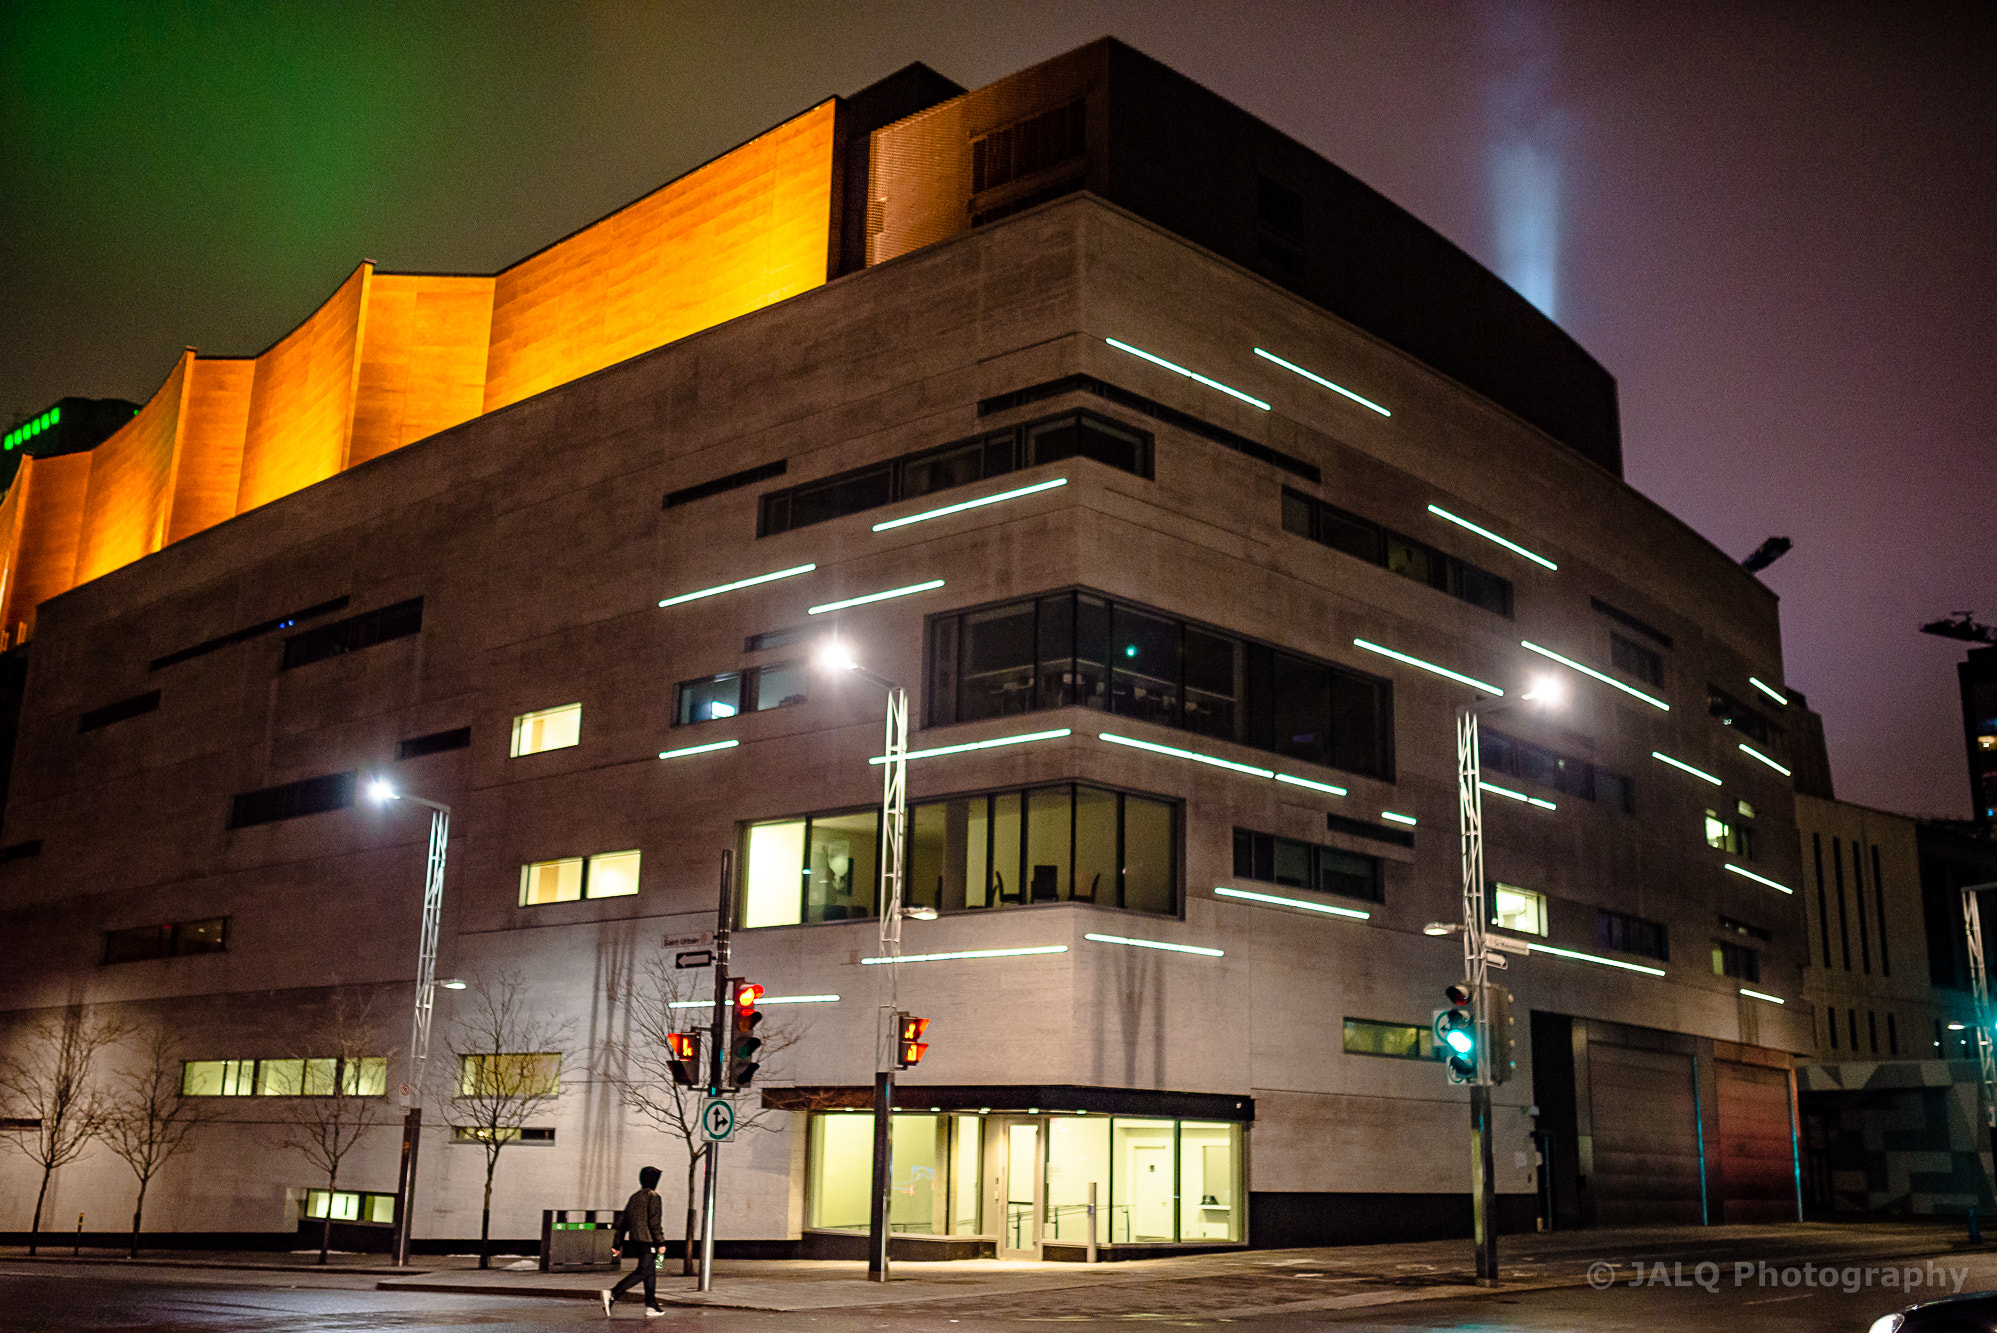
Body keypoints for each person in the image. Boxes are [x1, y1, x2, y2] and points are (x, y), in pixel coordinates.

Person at [601, 1165, 667, 1317]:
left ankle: (651, 1305)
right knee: (643, 1271)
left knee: (650, 1272)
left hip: (635, 1240)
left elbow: (623, 1222)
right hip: (648, 1241)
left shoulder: (634, 1197)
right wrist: (661, 1242)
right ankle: (613, 1293)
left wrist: (617, 1244)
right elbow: (654, 1222)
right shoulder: (654, 1197)